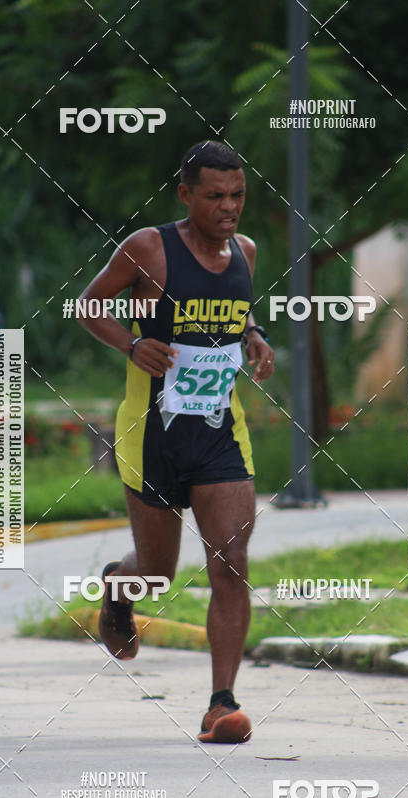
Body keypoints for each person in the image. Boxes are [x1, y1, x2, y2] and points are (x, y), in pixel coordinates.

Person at [78, 140, 274, 743]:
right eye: (214, 196)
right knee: (156, 575)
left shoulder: (245, 252)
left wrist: (254, 334)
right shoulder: (149, 249)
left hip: (218, 434)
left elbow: (234, 309)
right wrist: (133, 344)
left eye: (237, 195)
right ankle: (120, 588)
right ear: (186, 194)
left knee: (231, 564)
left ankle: (222, 704)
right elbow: (89, 306)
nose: (228, 207)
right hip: (151, 435)